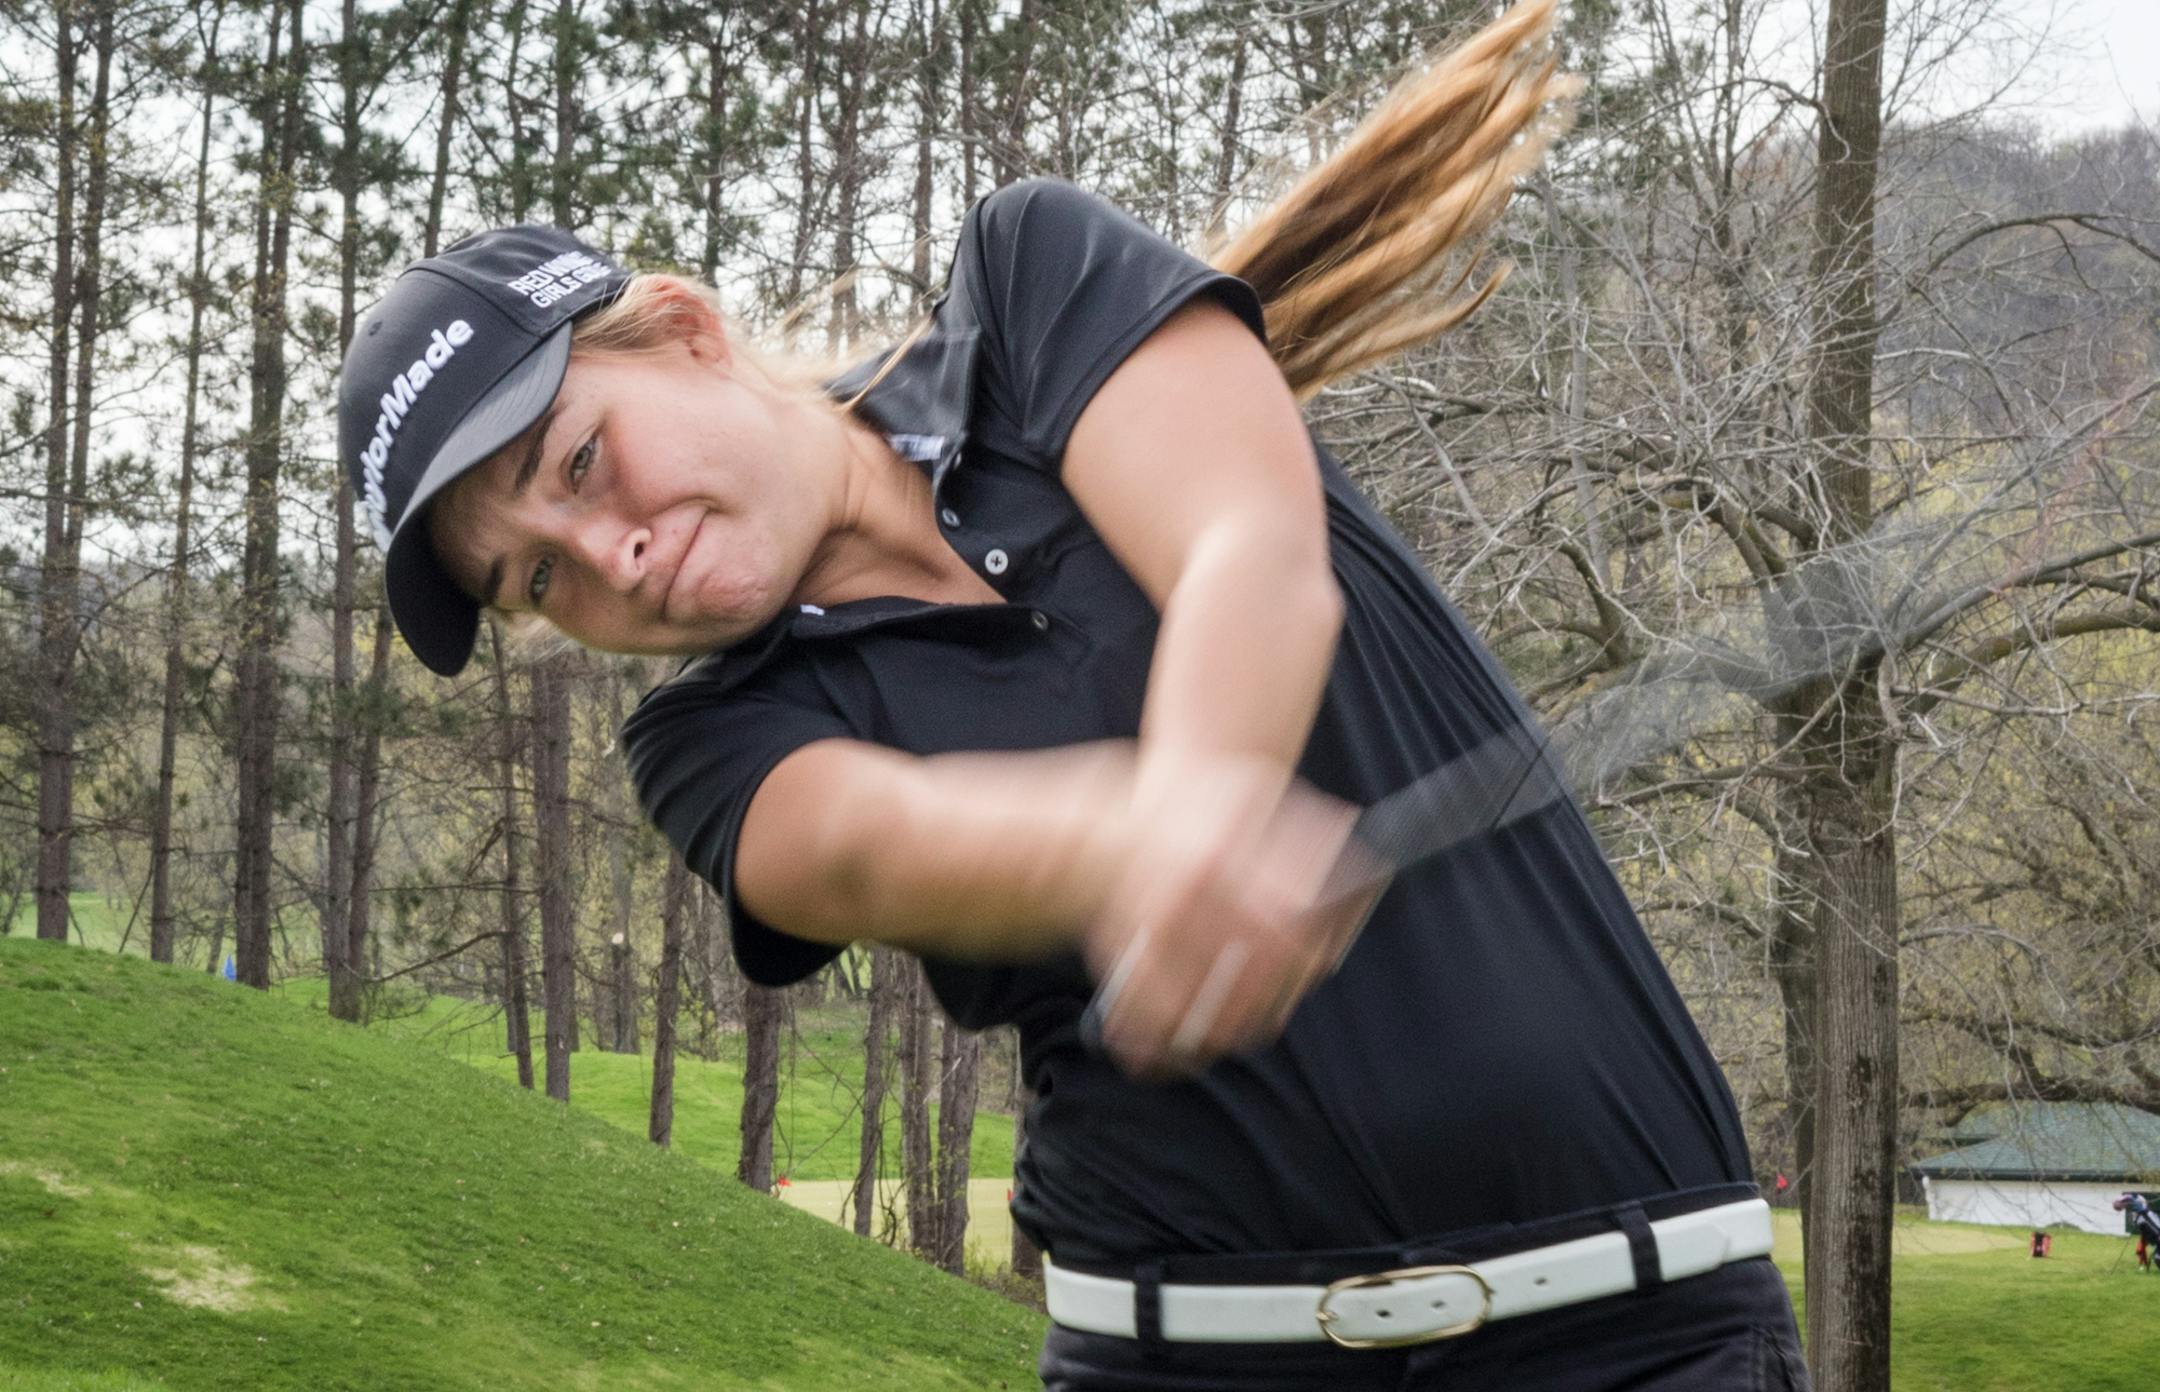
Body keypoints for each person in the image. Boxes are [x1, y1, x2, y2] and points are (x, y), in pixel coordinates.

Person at [337, 2, 1809, 1385]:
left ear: (685, 330)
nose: (612, 558)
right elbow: (878, 839)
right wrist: (1129, 848)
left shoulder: (1029, 289)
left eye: (581, 464)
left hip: (1651, 1334)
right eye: (537, 582)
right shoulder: (708, 742)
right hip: (1192, 1351)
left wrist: (1206, 793)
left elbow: (1250, 552)